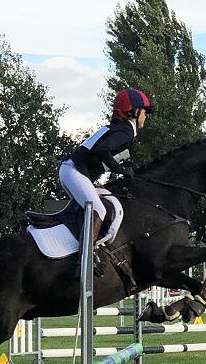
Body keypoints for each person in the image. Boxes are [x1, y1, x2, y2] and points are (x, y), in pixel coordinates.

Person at [58, 88, 151, 275]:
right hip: (75, 171)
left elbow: (112, 155)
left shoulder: (119, 129)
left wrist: (127, 167)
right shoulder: (125, 131)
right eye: (144, 111)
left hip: (73, 171)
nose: (146, 116)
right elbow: (102, 151)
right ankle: (85, 261)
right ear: (133, 112)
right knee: (99, 210)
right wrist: (121, 171)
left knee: (103, 201)